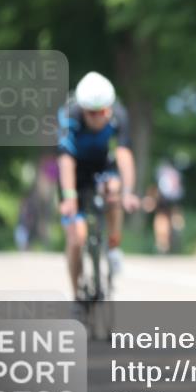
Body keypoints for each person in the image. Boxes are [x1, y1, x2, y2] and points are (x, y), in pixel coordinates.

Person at [57, 72, 140, 300]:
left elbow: (123, 154)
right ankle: (76, 296)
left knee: (114, 190)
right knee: (76, 239)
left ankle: (113, 246)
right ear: (83, 110)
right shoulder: (69, 114)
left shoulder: (119, 114)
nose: (98, 117)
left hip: (102, 166)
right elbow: (65, 160)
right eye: (92, 113)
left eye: (103, 111)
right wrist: (69, 197)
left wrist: (128, 192)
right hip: (75, 172)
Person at [143, 160, 184, 254]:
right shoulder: (176, 173)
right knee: (174, 213)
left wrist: (150, 200)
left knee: (161, 217)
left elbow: (154, 188)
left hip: (163, 199)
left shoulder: (160, 172)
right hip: (176, 198)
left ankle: (162, 244)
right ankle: (177, 225)